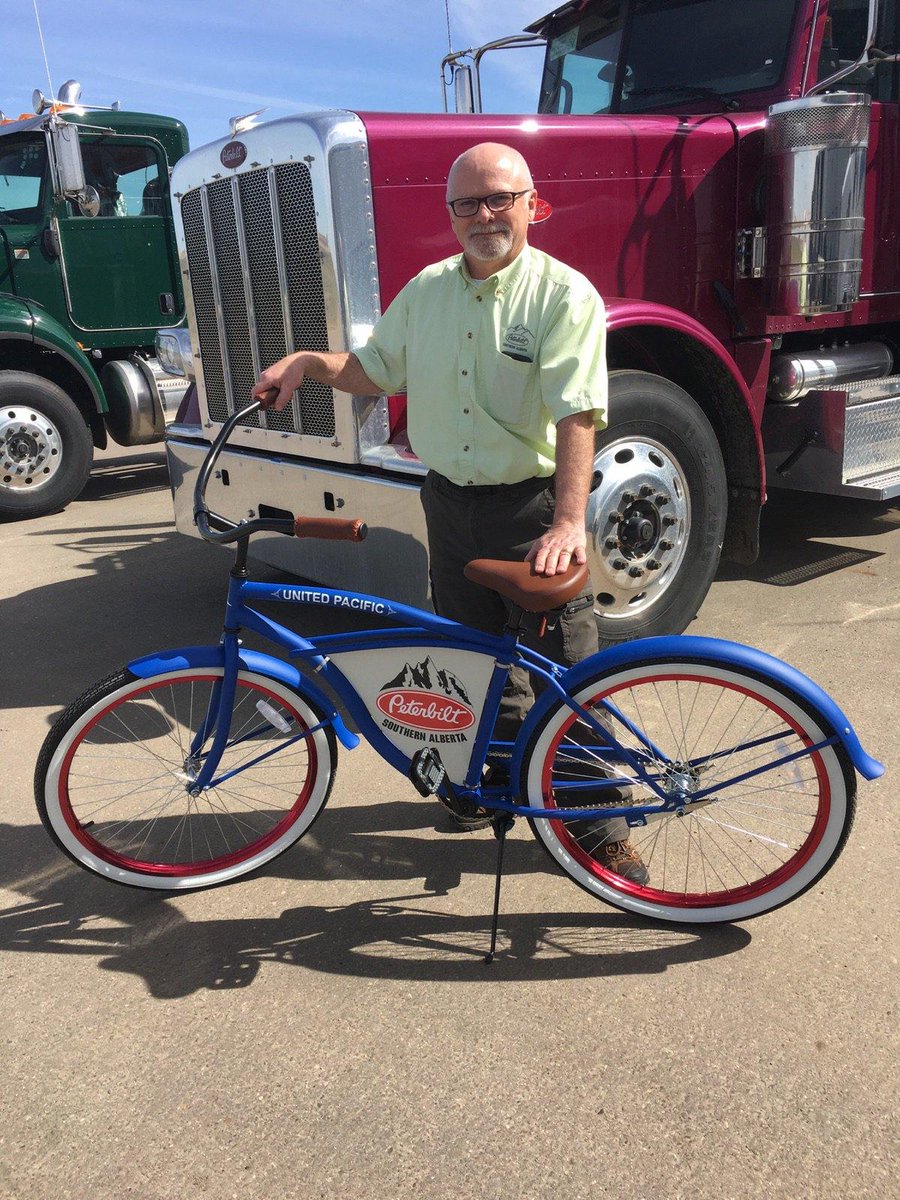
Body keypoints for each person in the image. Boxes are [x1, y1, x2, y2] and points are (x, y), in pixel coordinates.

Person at [252, 142, 646, 882]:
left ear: (535, 205)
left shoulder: (564, 295)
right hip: (448, 501)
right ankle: (490, 787)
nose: (484, 215)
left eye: (500, 198)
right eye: (467, 202)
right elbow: (373, 370)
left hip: (530, 508)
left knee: (565, 667)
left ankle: (599, 822)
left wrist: (567, 524)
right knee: (471, 658)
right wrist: (308, 362)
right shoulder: (426, 291)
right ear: (451, 215)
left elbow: (576, 417)